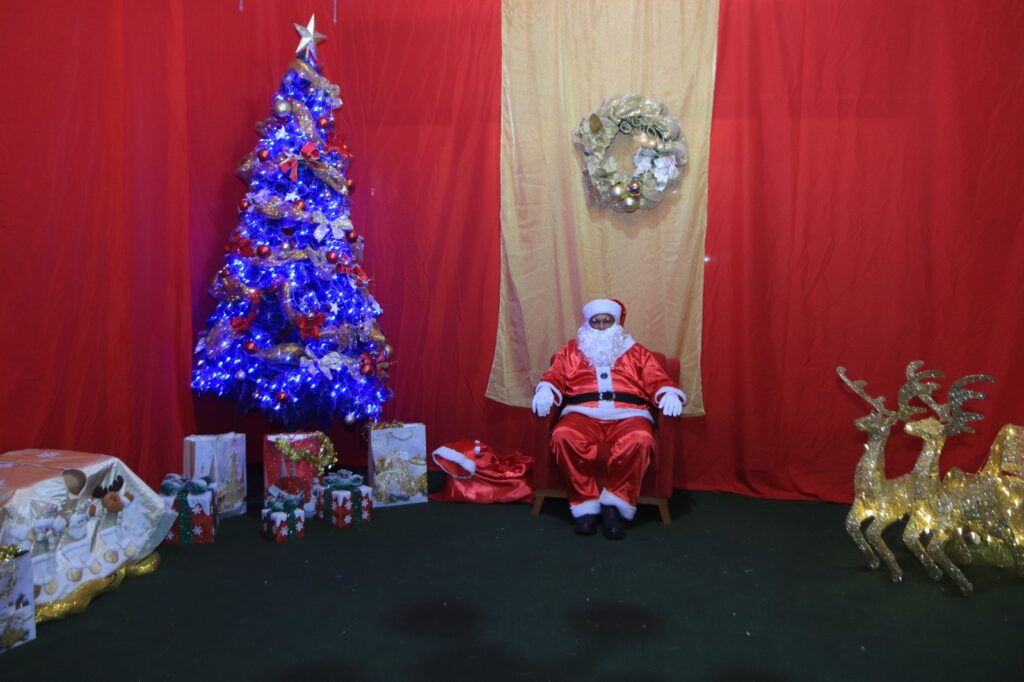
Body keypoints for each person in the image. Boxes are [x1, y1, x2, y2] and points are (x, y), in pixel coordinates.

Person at [532, 298, 686, 539]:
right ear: (588, 323)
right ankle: (585, 506)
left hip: (630, 414)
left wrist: (668, 393)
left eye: (607, 321)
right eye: (596, 321)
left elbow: (657, 379)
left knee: (641, 439)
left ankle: (614, 505)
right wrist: (545, 389)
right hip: (582, 414)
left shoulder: (636, 352)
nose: (602, 326)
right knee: (563, 436)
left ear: (616, 323)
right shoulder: (571, 350)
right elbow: (555, 376)